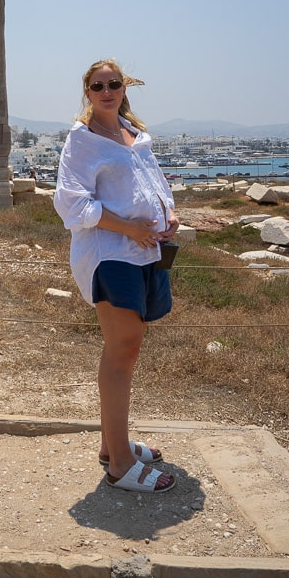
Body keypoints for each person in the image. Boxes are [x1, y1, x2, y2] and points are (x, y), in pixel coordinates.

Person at [54, 58, 179, 493]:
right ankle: (120, 464)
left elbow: (153, 186)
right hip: (111, 254)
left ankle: (112, 444)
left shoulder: (134, 135)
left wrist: (169, 215)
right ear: (86, 92)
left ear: (125, 87)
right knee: (122, 348)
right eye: (97, 85)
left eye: (113, 83)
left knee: (128, 346)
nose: (106, 90)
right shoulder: (82, 141)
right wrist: (130, 228)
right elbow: (72, 205)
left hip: (146, 253)